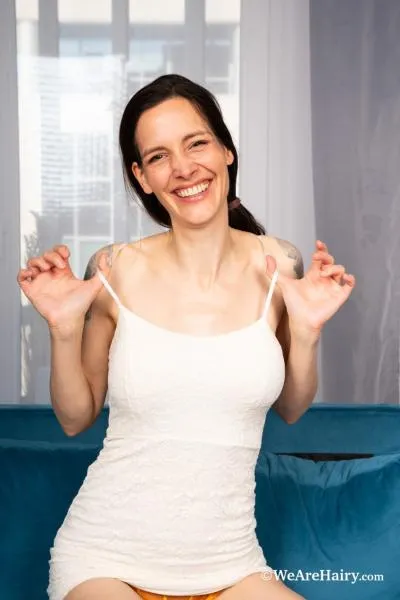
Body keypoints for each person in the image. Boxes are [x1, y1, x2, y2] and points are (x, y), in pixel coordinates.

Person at [17, 74, 355, 600]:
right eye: (158, 156)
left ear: (226, 151)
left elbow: (290, 408)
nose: (183, 168)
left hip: (232, 565)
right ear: (142, 177)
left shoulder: (279, 264)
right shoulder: (112, 269)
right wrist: (63, 329)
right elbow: (75, 417)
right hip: (105, 559)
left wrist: (307, 334)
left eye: (196, 143)